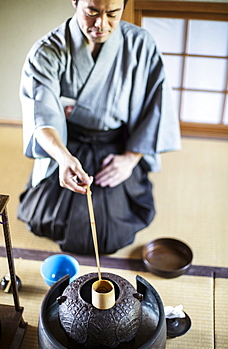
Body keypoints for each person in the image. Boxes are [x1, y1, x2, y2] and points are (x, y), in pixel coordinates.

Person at [18, 0, 181, 255]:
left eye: (112, 14)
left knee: (110, 235)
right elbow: (42, 117)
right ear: (75, 2)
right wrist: (63, 159)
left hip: (115, 144)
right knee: (44, 219)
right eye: (91, 12)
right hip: (67, 143)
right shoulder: (47, 51)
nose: (101, 24)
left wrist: (130, 159)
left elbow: (156, 106)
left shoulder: (140, 44)